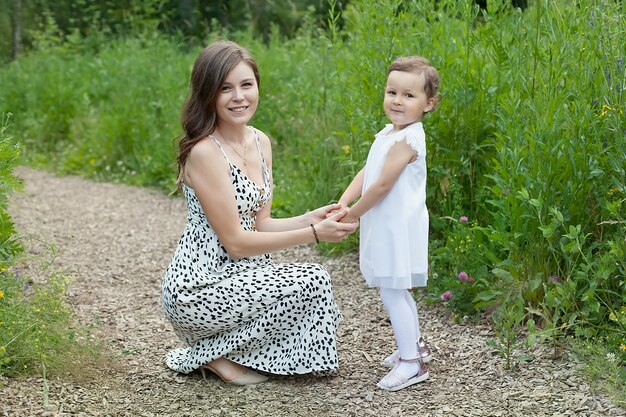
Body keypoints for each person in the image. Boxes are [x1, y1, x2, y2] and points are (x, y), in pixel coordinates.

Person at [161, 40, 358, 386]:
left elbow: (260, 223)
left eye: (246, 85)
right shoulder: (206, 153)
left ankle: (223, 353)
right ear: (208, 94)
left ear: (257, 87)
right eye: (225, 88)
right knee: (313, 279)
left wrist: (311, 218)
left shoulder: (260, 141)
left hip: (242, 280)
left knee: (311, 285)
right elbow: (236, 243)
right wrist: (314, 235)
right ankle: (209, 354)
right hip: (199, 289)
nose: (239, 97)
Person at [335, 56, 440, 391]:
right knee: (394, 287)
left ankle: (412, 363)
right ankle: (414, 346)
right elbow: (369, 173)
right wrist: (344, 200)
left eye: (409, 95)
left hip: (399, 225)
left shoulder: (409, 139)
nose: (397, 100)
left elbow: (381, 186)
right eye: (392, 91)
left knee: (393, 290)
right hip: (386, 221)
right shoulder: (389, 133)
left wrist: (352, 216)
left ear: (429, 104)